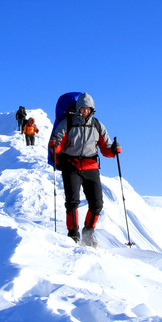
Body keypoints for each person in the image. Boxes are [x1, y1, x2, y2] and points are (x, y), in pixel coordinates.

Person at [48, 92, 120, 246]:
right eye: (82, 108)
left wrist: (113, 150)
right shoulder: (67, 123)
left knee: (97, 203)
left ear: (92, 109)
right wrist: (55, 146)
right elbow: (58, 140)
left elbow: (105, 148)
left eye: (88, 109)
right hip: (71, 166)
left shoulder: (97, 126)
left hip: (91, 167)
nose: (85, 111)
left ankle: (88, 233)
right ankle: (73, 234)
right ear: (78, 108)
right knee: (72, 201)